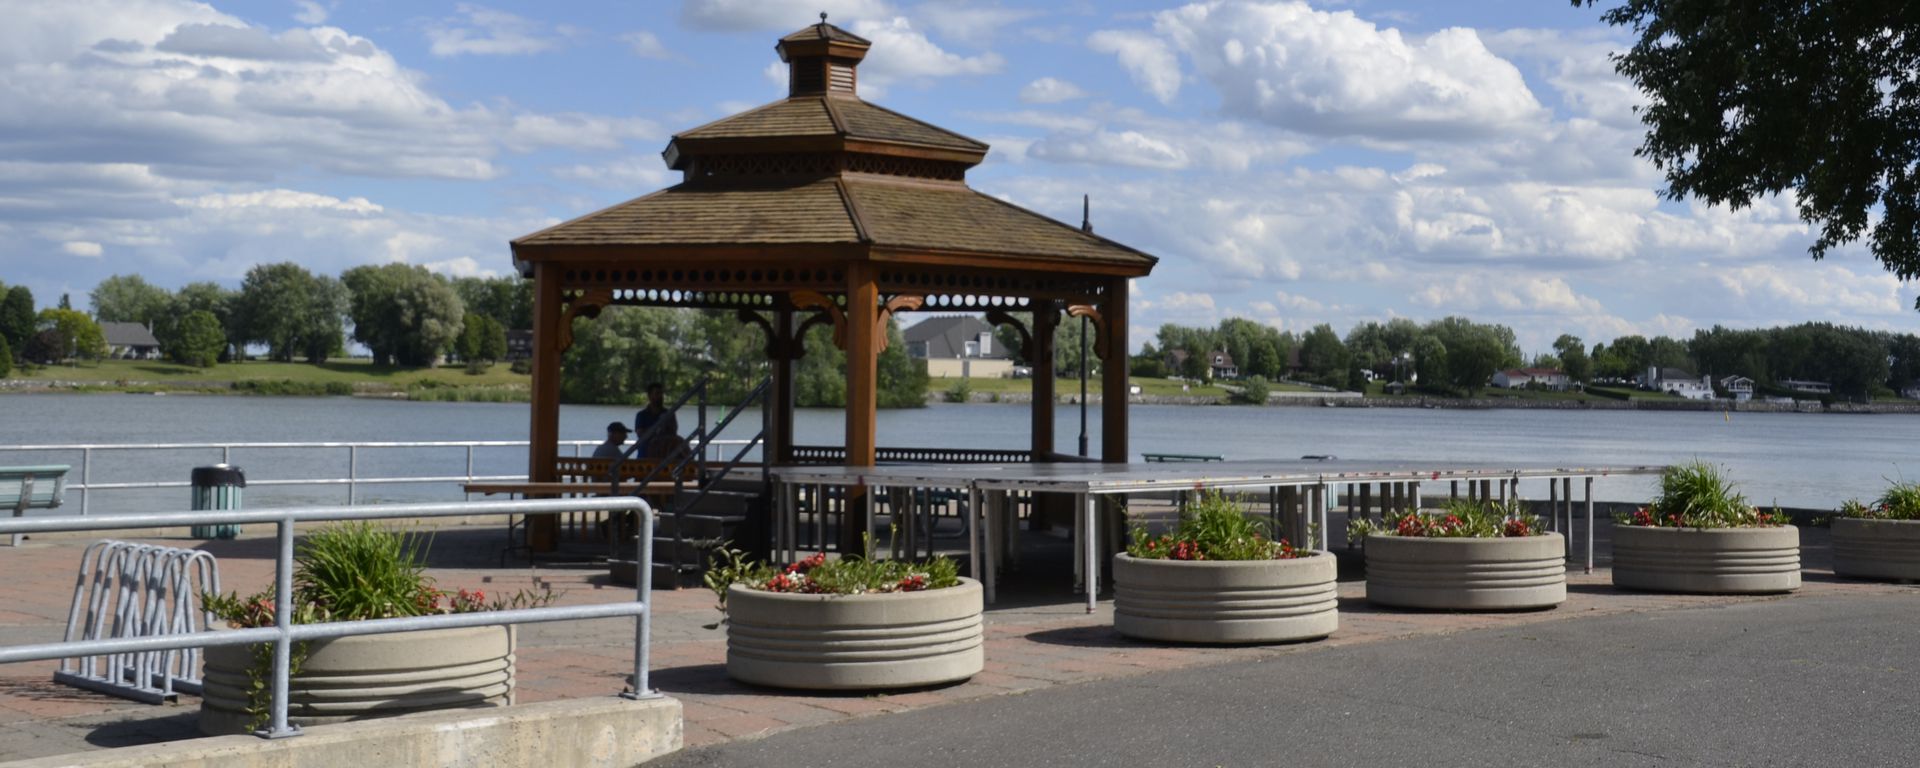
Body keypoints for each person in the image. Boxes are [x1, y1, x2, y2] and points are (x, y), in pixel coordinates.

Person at [633, 382, 680, 459]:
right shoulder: (641, 415)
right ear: (650, 396)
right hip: (645, 454)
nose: (661, 396)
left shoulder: (669, 414)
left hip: (664, 455)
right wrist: (658, 428)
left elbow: (673, 432)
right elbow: (640, 434)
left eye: (662, 393)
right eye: (657, 393)